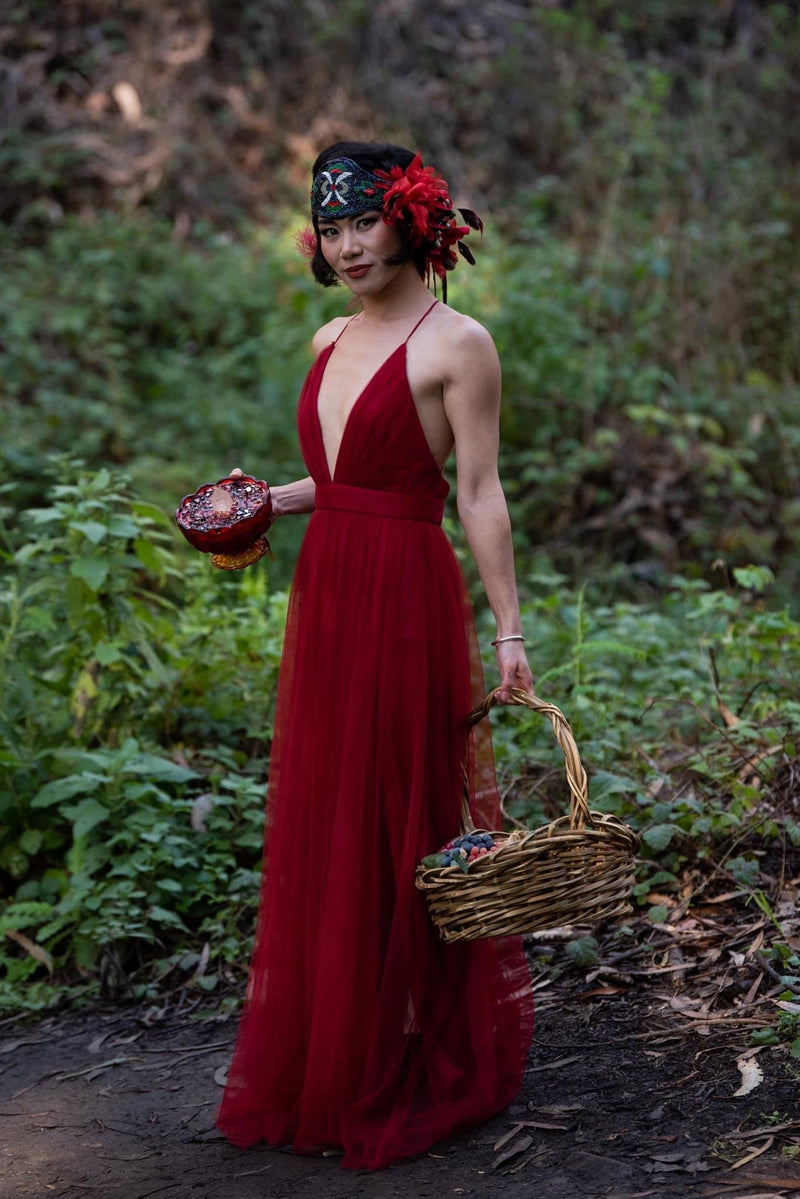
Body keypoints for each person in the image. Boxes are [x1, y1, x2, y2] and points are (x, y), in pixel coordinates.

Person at [216, 140, 535, 1170]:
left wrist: (509, 629)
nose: (347, 244)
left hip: (404, 592)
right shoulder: (324, 335)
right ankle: (342, 1045)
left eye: (364, 221)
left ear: (408, 220)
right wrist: (265, 499)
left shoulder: (459, 344)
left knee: (402, 814)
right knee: (330, 811)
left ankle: (421, 1044)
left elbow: (474, 493)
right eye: (332, 226)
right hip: (330, 587)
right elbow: (345, 479)